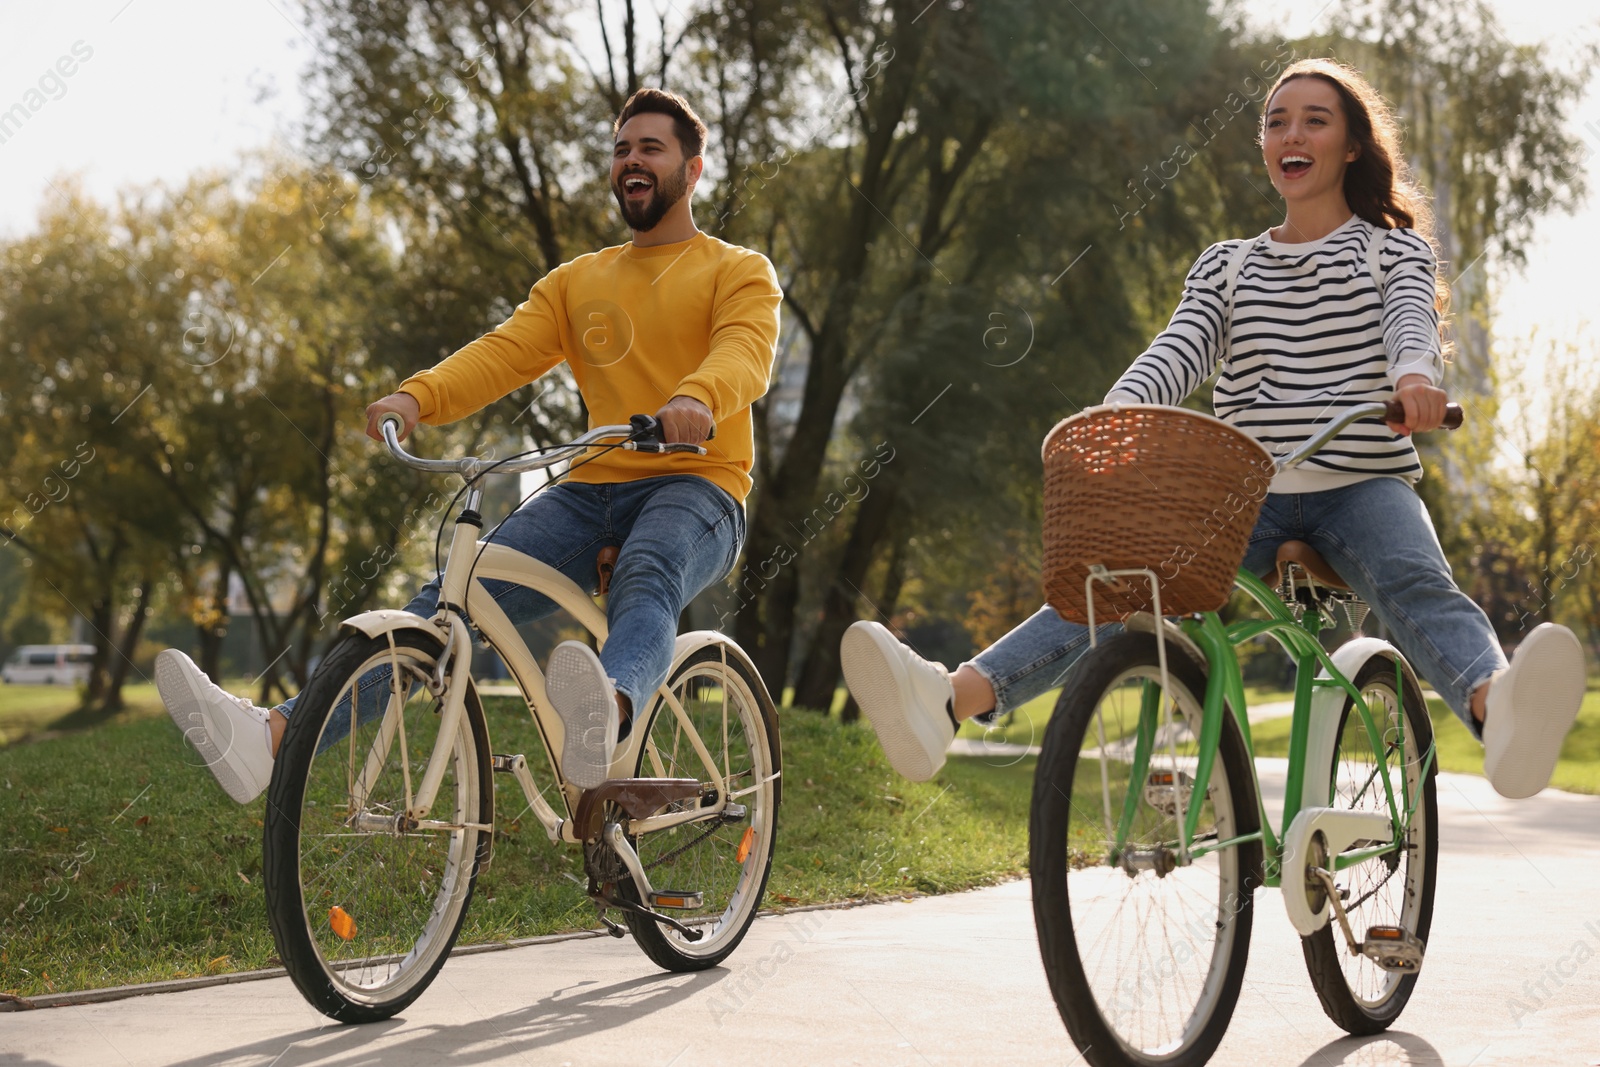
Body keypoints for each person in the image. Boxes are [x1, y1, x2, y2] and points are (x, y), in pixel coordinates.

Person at [842, 58, 1584, 801]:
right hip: (1244, 495)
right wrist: (1119, 412)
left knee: (1417, 580)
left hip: (1362, 482)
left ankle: (1499, 708)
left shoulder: (1393, 251)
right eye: (1275, 121)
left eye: (1314, 120)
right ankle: (945, 701)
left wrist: (1416, 380)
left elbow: (1408, 325)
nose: (1291, 133)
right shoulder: (1229, 266)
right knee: (1119, 581)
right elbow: (1177, 351)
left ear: (1353, 145)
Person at [158, 88, 781, 800]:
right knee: (452, 598)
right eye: (620, 149)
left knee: (648, 569)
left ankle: (603, 712)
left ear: (692, 170)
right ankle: (271, 738)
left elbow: (745, 350)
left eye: (650, 148)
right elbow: (504, 352)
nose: (630, 161)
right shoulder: (579, 280)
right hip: (589, 490)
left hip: (699, 484)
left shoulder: (737, 269)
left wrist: (696, 398)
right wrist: (416, 397)